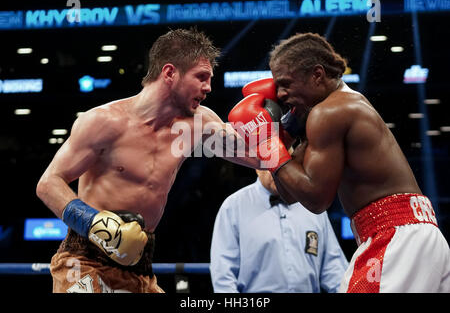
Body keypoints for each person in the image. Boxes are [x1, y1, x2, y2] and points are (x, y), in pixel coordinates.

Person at [36, 27, 260, 293]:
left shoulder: (198, 123)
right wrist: (95, 224)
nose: (208, 87)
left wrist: (291, 119)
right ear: (169, 73)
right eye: (201, 77)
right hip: (85, 259)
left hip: (140, 267)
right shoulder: (104, 122)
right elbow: (48, 183)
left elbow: (258, 156)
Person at [227, 32, 450, 292]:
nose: (280, 94)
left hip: (396, 238)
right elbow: (290, 193)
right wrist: (284, 137)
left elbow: (317, 199)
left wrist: (267, 143)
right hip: (412, 234)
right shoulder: (334, 107)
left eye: (286, 84)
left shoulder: (329, 112)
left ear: (317, 75)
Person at [210, 167, 348, 293]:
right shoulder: (234, 206)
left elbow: (333, 267)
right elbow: (223, 274)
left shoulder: (311, 206)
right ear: (258, 168)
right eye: (271, 167)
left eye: (282, 166)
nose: (277, 174)